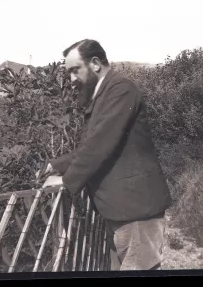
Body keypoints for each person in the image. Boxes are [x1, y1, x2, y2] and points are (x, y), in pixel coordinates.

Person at [37, 39, 172, 271]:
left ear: (96, 63)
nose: (70, 79)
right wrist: (56, 165)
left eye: (74, 70)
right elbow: (91, 144)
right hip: (122, 209)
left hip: (135, 209)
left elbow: (101, 142)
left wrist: (66, 180)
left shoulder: (121, 89)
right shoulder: (104, 94)